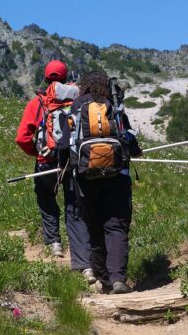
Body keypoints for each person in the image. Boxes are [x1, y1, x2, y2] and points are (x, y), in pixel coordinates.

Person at [58, 71, 143, 294]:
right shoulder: (113, 105)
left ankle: (104, 281)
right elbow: (128, 138)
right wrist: (136, 151)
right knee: (116, 225)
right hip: (117, 175)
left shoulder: (76, 106)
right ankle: (118, 279)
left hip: (86, 177)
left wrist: (63, 168)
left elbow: (64, 145)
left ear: (83, 86)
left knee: (94, 226)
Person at [15, 60, 94, 283]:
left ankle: (54, 244)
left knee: (46, 198)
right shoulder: (78, 100)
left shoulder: (37, 103)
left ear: (46, 77)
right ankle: (84, 262)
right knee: (74, 206)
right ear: (67, 76)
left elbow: (21, 138)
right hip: (72, 160)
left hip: (46, 161)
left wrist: (37, 152)